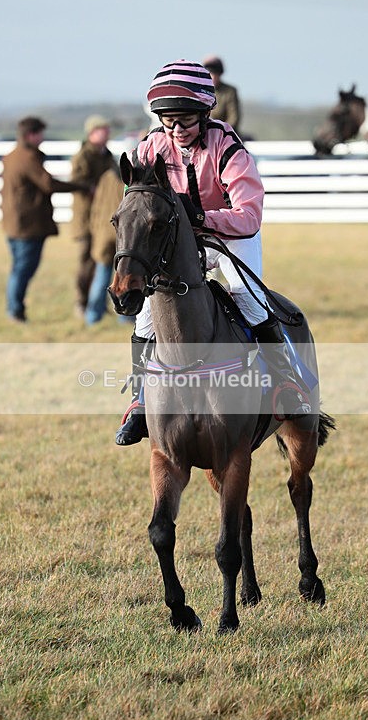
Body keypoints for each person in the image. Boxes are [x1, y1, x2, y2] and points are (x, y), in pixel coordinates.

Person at [115, 59, 311, 446]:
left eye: (185, 121)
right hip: (176, 240)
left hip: (229, 235)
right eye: (168, 121)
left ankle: (285, 385)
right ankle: (140, 400)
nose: (176, 130)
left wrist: (201, 215)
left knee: (249, 300)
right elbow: (135, 199)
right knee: (145, 321)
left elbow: (249, 216)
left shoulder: (228, 146)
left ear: (205, 113)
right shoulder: (152, 145)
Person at [1, 116, 86, 322]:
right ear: (31, 135)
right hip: (28, 224)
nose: (42, 138)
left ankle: (14, 308)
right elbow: (48, 184)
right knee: (23, 269)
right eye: (40, 133)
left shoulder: (12, 156)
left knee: (18, 268)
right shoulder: (28, 158)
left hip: (12, 222)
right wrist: (80, 186)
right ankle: (15, 310)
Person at [70, 115, 118, 319]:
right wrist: (97, 190)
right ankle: (81, 302)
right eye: (101, 130)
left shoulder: (107, 156)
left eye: (107, 129)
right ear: (91, 133)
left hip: (104, 218)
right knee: (88, 263)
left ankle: (98, 304)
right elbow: (77, 183)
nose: (106, 133)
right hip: (87, 218)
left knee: (103, 260)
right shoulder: (84, 156)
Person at [85, 167, 125, 325]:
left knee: (101, 277)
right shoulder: (132, 177)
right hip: (121, 234)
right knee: (124, 279)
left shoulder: (106, 175)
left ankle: (93, 316)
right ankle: (125, 316)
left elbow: (97, 205)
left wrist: (95, 229)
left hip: (103, 233)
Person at [202, 55, 241, 132]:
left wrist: (221, 132)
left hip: (225, 134)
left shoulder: (229, 92)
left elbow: (233, 118)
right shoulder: (200, 90)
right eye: (210, 73)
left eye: (215, 73)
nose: (212, 77)